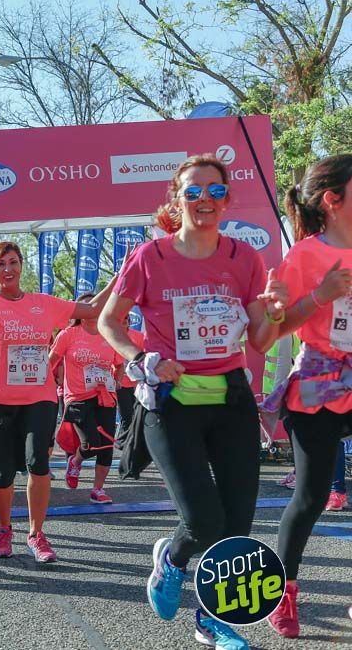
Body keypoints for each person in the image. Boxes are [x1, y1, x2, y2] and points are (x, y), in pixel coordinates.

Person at [98, 154, 287, 650]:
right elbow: (108, 322)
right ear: (177, 199)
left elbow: (261, 339)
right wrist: (144, 358)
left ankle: (210, 620)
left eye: (215, 190)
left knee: (238, 523)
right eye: (193, 191)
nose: (205, 199)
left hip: (231, 399)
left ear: (227, 198)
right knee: (204, 520)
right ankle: (173, 558)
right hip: (171, 403)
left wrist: (275, 312)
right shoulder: (150, 257)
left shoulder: (245, 258)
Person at [0, 237, 114, 563]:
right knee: (3, 473)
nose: (8, 269)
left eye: (13, 262)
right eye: (0, 264)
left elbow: (92, 309)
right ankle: (4, 528)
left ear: (21, 265)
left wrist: (121, 273)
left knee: (38, 463)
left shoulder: (43, 303)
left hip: (38, 398)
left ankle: (36, 533)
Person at [259, 154, 352, 638]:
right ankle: (283, 591)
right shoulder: (305, 256)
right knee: (312, 496)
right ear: (333, 200)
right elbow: (275, 330)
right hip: (319, 379)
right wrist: (319, 294)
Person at [49, 293, 122, 503]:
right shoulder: (68, 335)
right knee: (91, 443)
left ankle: (98, 490)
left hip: (105, 395)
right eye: (86, 306)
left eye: (96, 306)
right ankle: (75, 461)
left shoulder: (109, 334)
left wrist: (117, 380)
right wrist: (43, 381)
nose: (92, 310)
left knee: (106, 446)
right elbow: (51, 361)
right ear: (79, 312)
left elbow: (119, 364)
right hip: (77, 397)